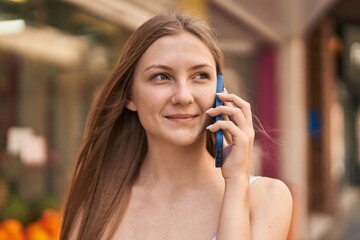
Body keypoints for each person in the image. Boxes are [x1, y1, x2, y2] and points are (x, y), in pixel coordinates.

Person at [60, 12, 292, 240]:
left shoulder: (266, 198)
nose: (183, 96)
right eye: (161, 77)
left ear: (220, 91)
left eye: (200, 76)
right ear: (129, 96)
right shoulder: (95, 209)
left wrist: (235, 182)